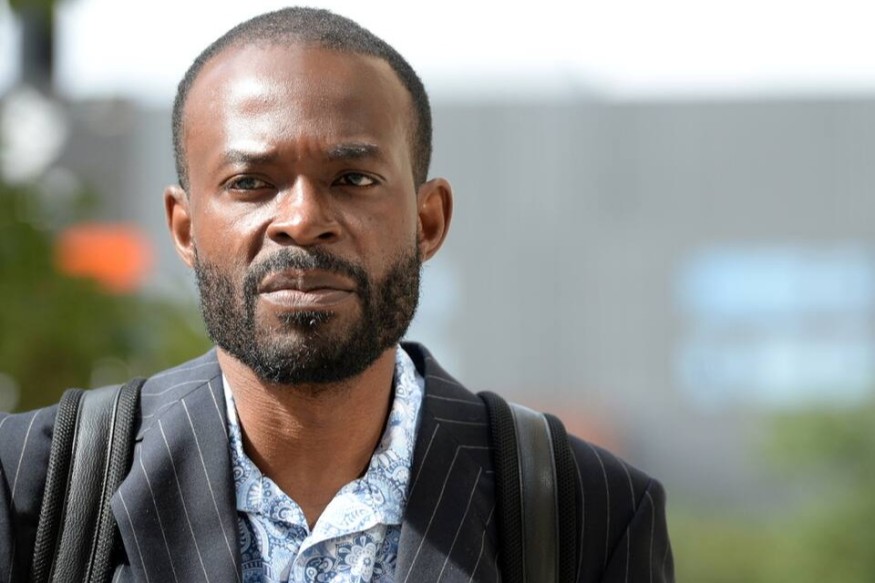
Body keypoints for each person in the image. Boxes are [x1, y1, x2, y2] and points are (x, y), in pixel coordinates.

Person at [0, 7, 674, 582]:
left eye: (352, 179)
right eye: (250, 182)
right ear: (185, 228)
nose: (301, 219)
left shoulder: (586, 511)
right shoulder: (33, 483)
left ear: (428, 221)